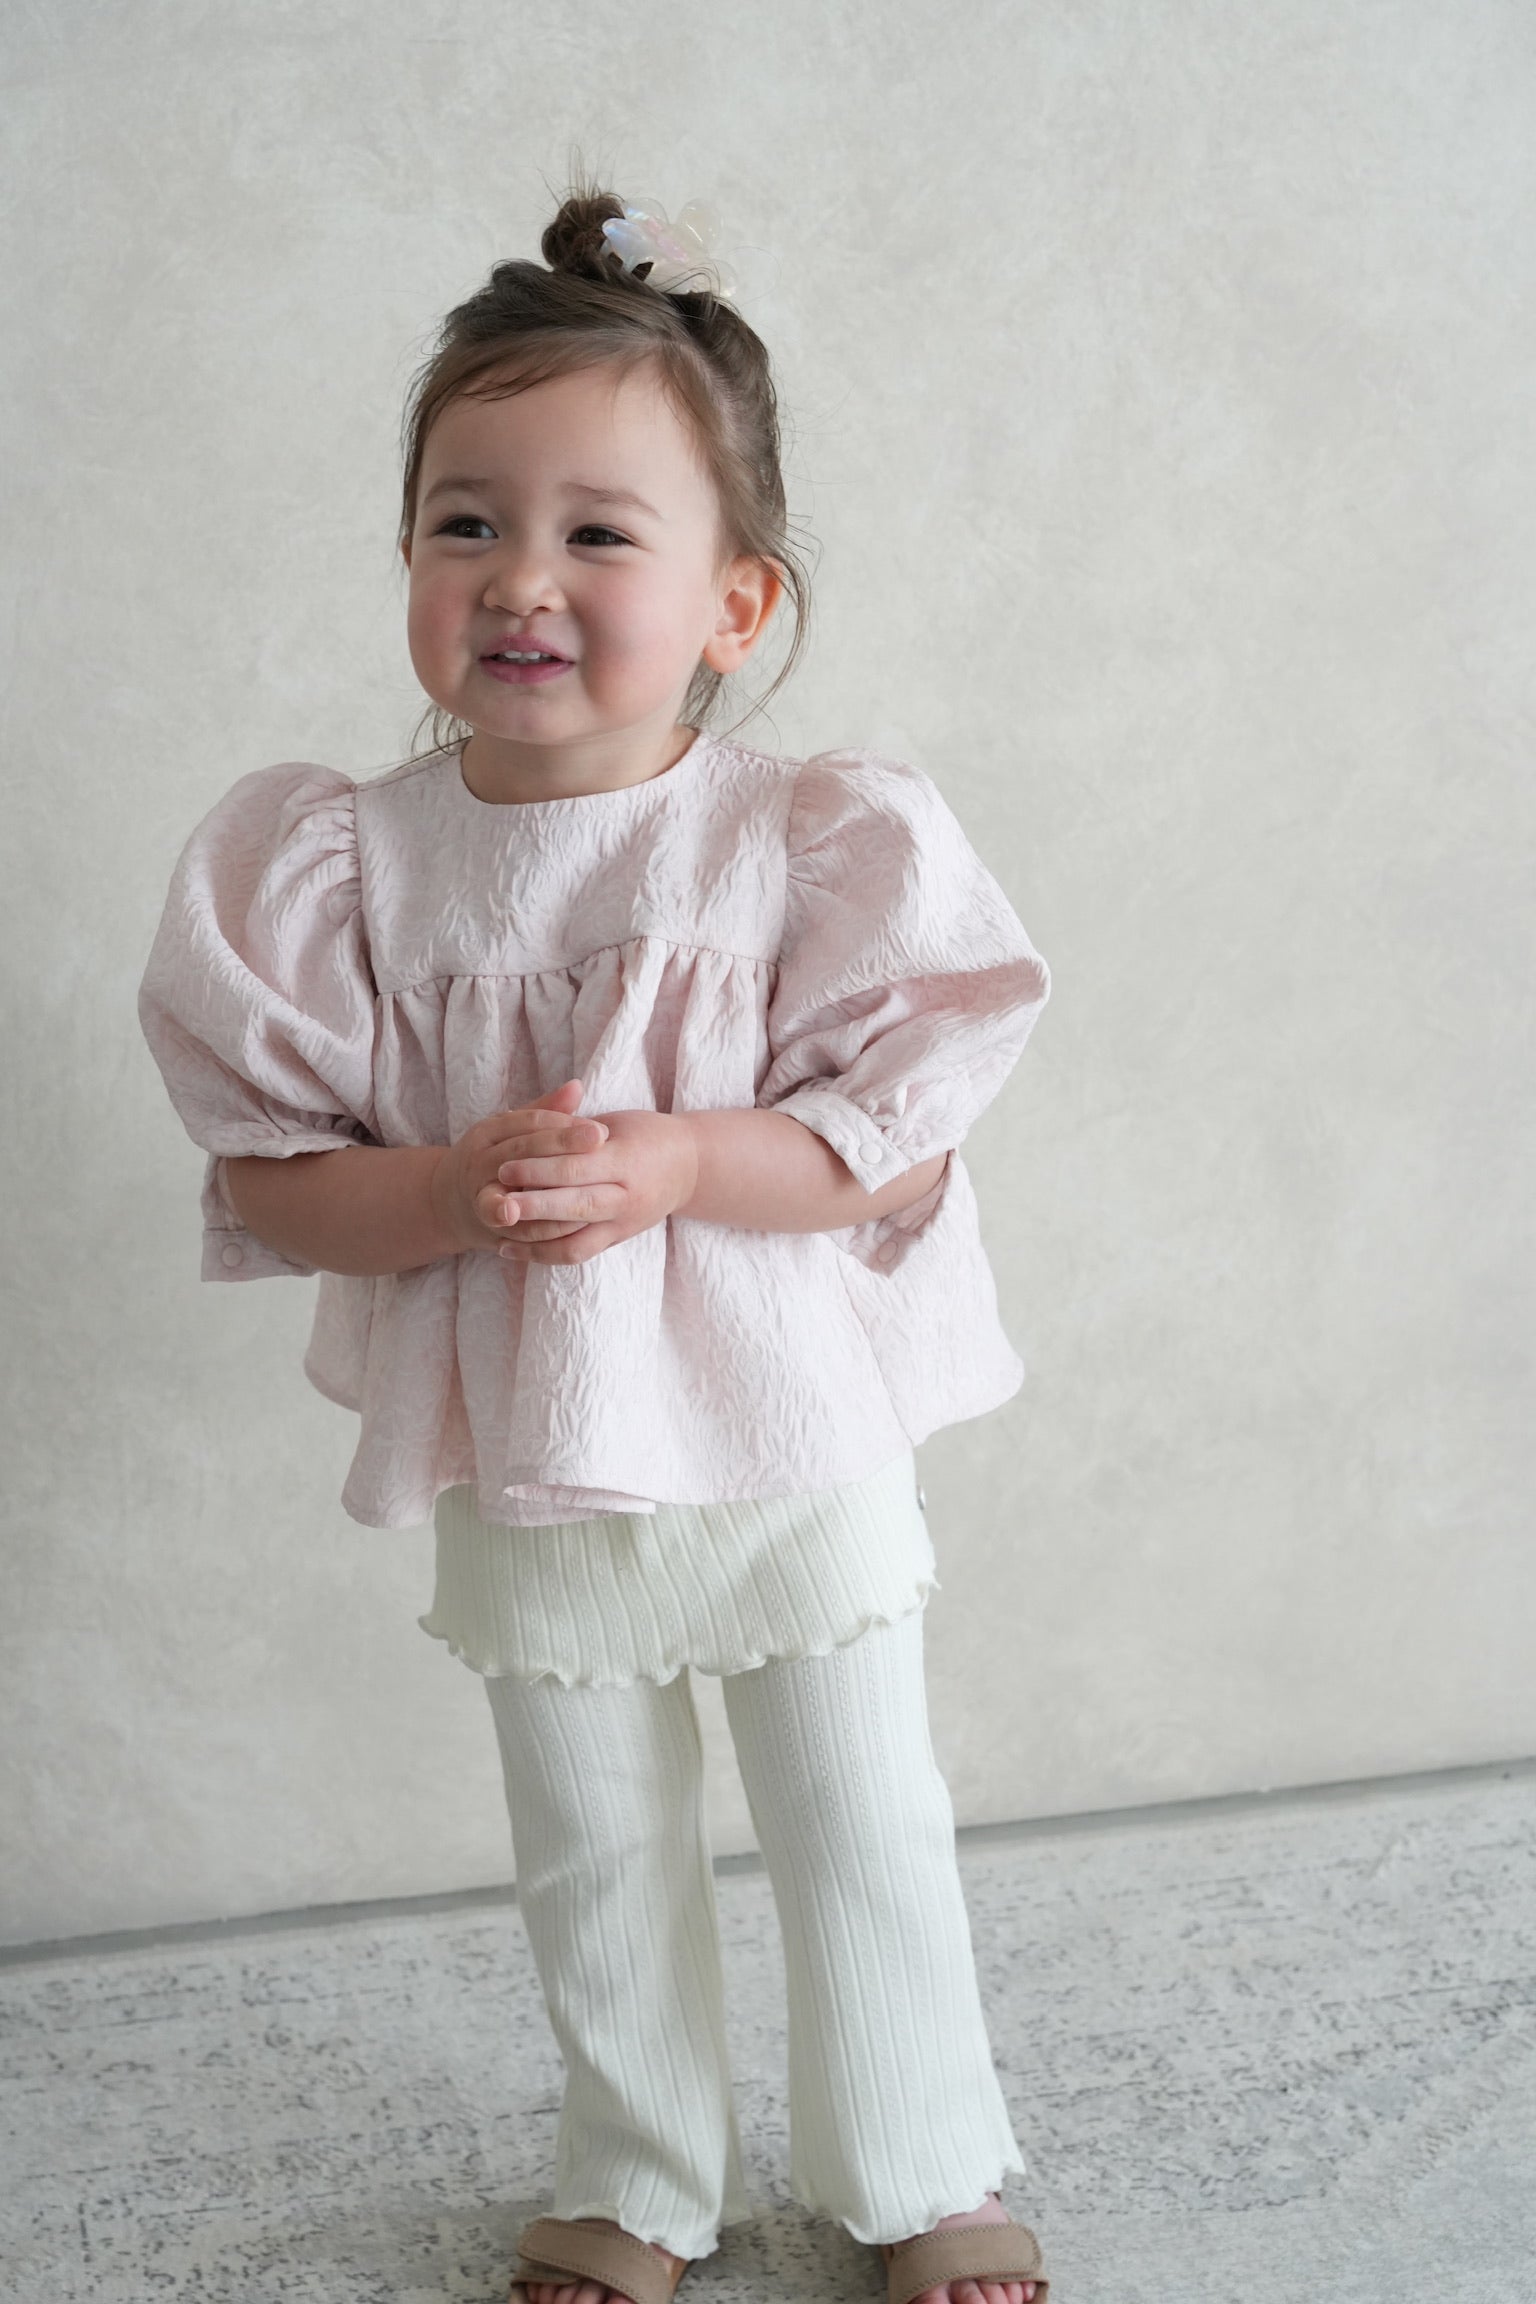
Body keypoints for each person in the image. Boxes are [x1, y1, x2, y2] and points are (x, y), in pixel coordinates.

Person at [137, 175, 1053, 2304]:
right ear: (406, 558)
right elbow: (272, 1172)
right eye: (465, 523)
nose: (519, 579)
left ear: (738, 600)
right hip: (531, 1443)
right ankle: (637, 2172)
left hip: (789, 1431)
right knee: (592, 1837)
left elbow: (884, 1144)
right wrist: (445, 1192)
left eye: (597, 534)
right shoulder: (348, 869)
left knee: (859, 1817)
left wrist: (677, 1162)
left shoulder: (800, 842)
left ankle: (920, 2168)